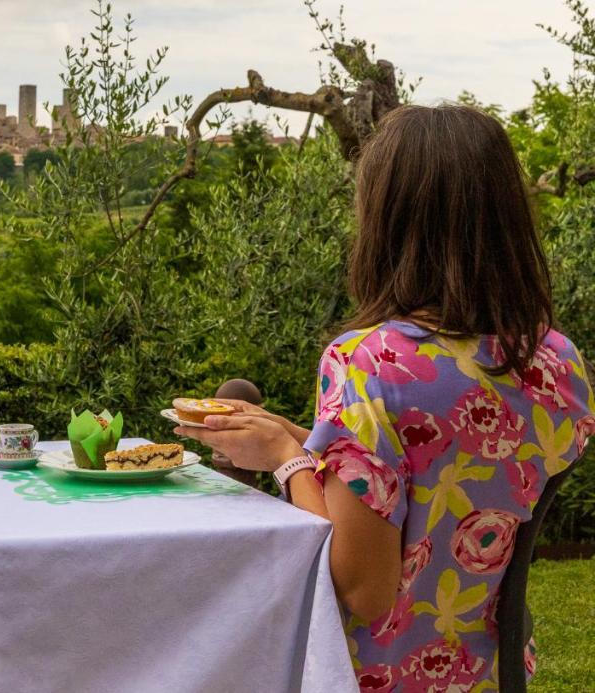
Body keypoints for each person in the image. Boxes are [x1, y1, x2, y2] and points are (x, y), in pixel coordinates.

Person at [176, 105, 593, 691]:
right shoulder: (555, 360)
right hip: (489, 671)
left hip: (373, 674)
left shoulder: (370, 364)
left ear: (387, 220)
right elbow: (442, 462)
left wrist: (284, 459)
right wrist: (302, 434)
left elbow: (362, 590)